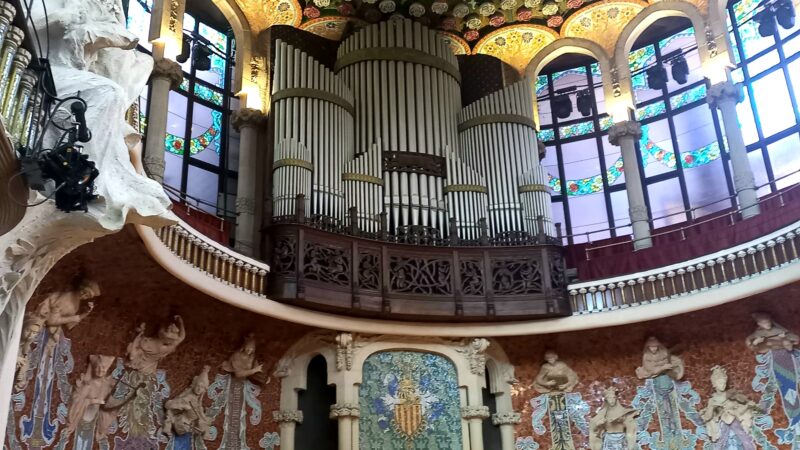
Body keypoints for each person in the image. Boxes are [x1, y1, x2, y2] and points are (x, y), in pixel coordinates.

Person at [701, 366, 760, 449]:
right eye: (721, 383)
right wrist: (712, 407)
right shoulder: (712, 400)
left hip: (733, 421)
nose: (723, 385)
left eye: (724, 383)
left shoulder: (731, 394)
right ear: (714, 384)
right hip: (721, 425)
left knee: (739, 439)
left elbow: (740, 405)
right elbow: (707, 417)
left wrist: (745, 406)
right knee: (725, 443)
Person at [163, 366, 212, 439]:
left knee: (204, 424)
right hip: (182, 422)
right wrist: (184, 406)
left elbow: (200, 413)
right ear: (194, 385)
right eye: (198, 386)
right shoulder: (187, 397)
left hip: (192, 423)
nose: (199, 389)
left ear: (204, 390)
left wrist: (204, 419)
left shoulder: (198, 400)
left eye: (202, 387)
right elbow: (168, 405)